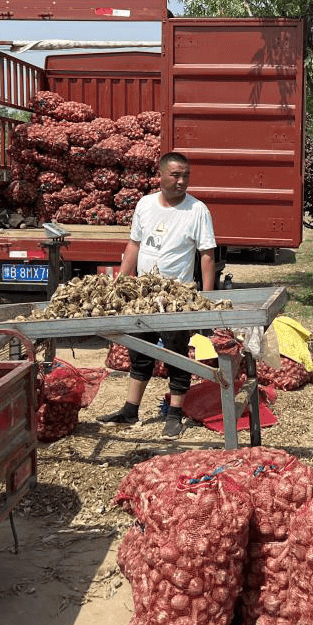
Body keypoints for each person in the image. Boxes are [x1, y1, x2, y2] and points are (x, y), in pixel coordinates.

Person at [96, 152, 216, 438]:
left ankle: (174, 414)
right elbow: (134, 245)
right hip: (143, 292)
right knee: (140, 349)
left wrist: (206, 301)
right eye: (175, 175)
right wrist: (119, 285)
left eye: (185, 175)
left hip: (176, 294)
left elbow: (207, 255)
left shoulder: (197, 210)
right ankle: (130, 409)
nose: (181, 181)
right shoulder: (145, 205)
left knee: (176, 352)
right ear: (160, 176)